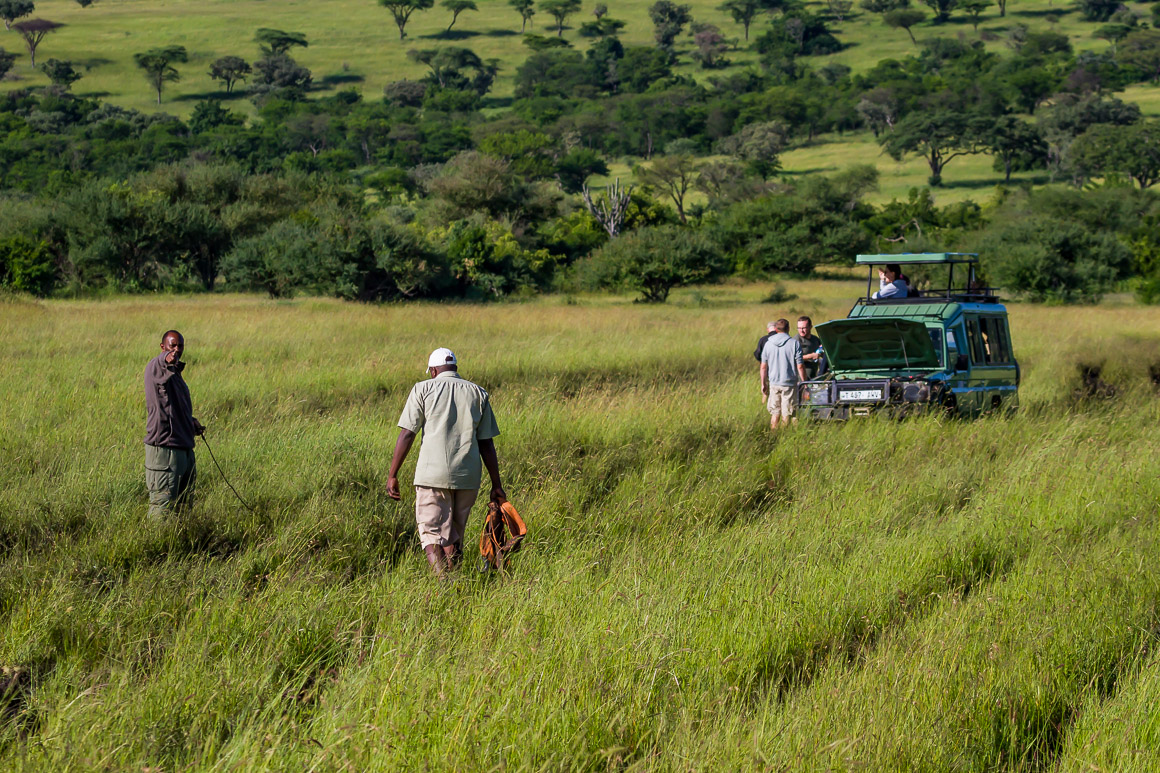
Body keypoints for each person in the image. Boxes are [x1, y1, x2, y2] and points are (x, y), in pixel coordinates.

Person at [387, 348, 504, 576]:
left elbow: (407, 434)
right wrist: (496, 484)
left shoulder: (422, 389)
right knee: (454, 536)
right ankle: (455, 581)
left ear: (433, 371)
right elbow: (486, 443)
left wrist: (393, 474)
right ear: (455, 369)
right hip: (467, 477)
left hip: (432, 476)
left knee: (431, 534)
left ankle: (443, 584)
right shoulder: (478, 393)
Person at [144, 330, 204, 519]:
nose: (177, 349)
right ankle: (156, 539)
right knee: (161, 510)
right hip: (165, 451)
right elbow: (160, 362)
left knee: (184, 509)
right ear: (163, 347)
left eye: (180, 346)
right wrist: (166, 358)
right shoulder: (156, 366)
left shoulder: (175, 374)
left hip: (183, 449)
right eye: (173, 345)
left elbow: (172, 407)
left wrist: (190, 422)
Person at [760, 319, 808, 430]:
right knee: (787, 413)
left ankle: (774, 435)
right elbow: (800, 366)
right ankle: (783, 434)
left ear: (776, 329)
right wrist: (805, 383)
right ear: (788, 328)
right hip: (789, 385)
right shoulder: (794, 343)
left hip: (774, 384)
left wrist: (763, 383)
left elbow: (763, 367)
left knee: (775, 413)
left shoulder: (768, 344)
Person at [795, 316, 824, 380]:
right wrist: (810, 356)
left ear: (810, 327)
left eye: (803, 328)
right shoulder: (796, 341)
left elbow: (822, 352)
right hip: (800, 379)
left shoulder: (815, 339)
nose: (801, 331)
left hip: (813, 377)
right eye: (799, 328)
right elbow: (793, 358)